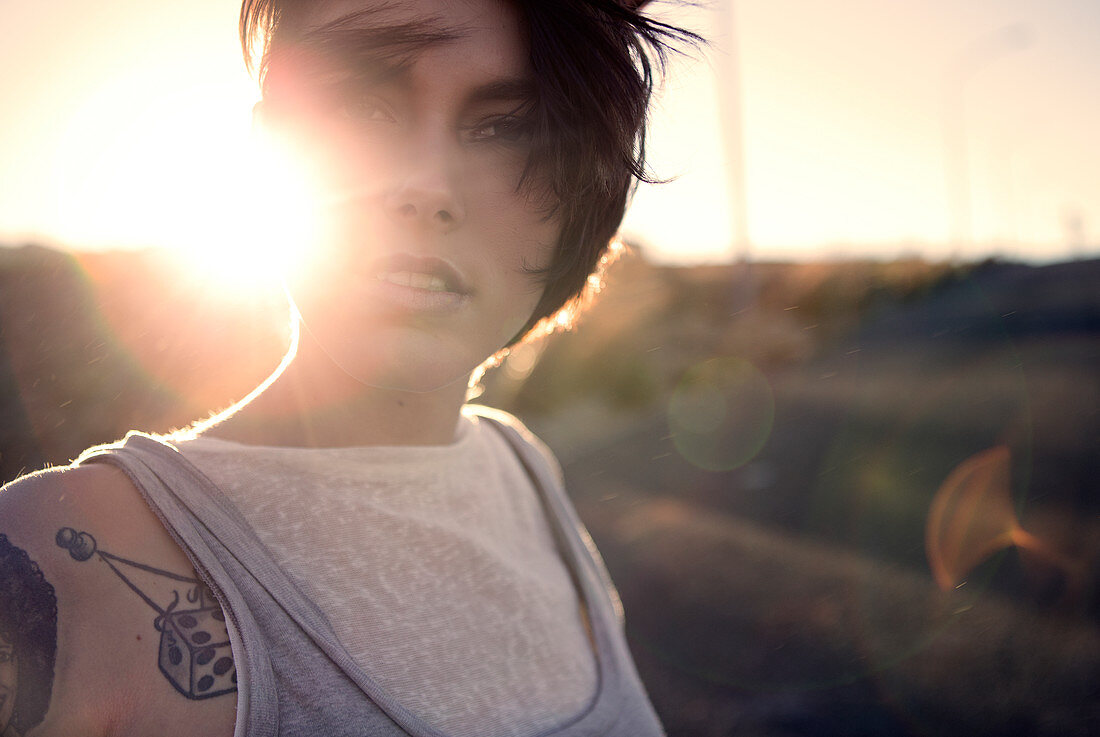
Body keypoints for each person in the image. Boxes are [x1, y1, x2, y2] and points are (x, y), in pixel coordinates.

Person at [0, 0, 693, 734]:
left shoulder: (524, 471)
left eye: (504, 128)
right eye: (364, 109)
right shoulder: (53, 562)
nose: (427, 186)